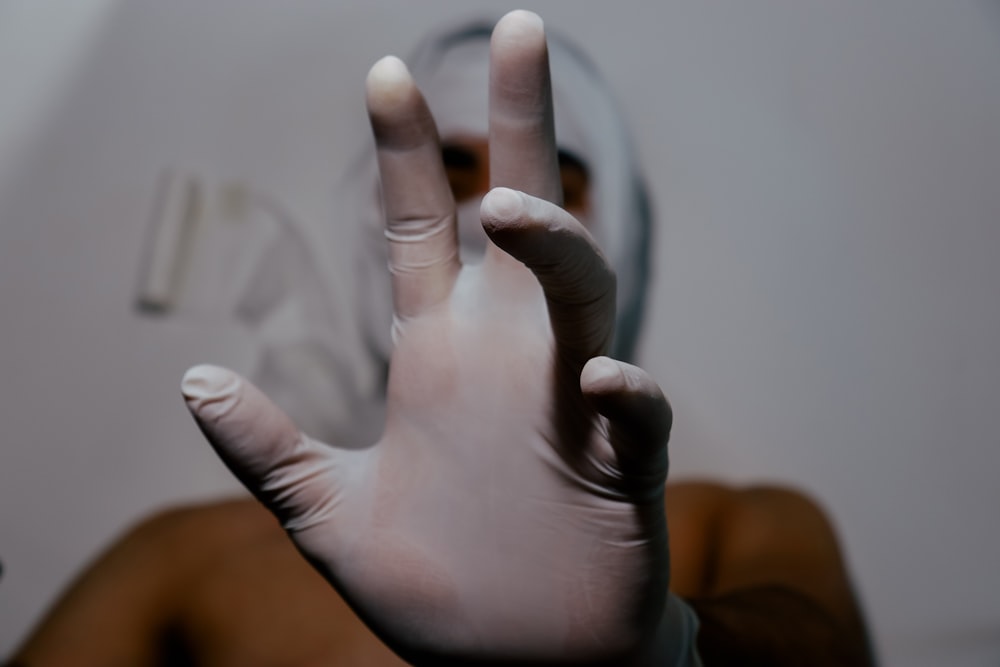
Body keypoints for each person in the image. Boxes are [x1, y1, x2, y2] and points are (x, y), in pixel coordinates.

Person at [9, 11, 873, 667]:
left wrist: (663, 647)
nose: (498, 220)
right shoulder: (188, 561)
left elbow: (822, 644)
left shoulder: (740, 526)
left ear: (623, 249)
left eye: (553, 186)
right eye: (454, 172)